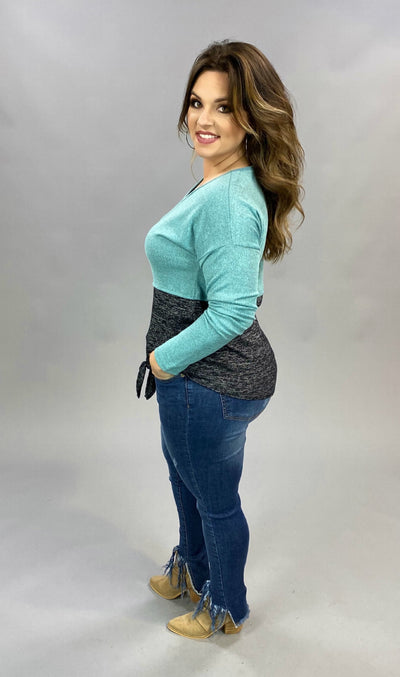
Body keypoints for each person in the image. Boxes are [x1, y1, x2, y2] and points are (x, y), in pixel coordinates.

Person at [136, 39, 304, 639]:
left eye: (224, 106)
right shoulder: (221, 184)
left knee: (214, 500)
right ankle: (192, 570)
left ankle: (226, 607)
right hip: (195, 378)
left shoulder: (230, 201)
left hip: (209, 381)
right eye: (196, 102)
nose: (203, 120)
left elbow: (233, 311)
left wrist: (163, 360)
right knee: (187, 482)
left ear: (252, 117)